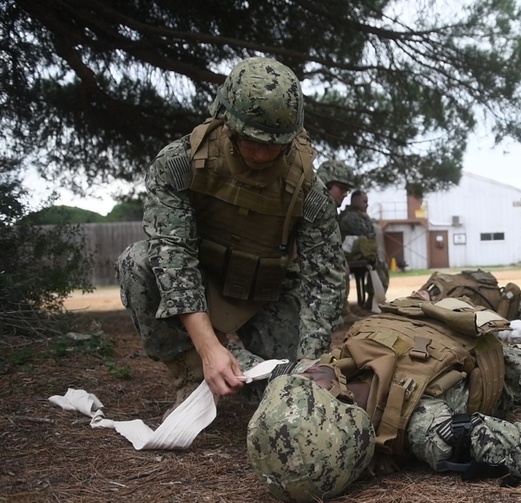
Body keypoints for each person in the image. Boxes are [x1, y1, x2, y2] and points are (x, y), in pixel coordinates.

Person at [246, 298, 521, 503]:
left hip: (437, 320)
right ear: (341, 410)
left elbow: (270, 372)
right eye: (309, 384)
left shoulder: (312, 384)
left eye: (300, 381)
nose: (305, 373)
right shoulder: (427, 426)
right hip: (505, 367)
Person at [115, 57, 346, 414]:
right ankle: (192, 374)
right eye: (252, 141)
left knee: (286, 386)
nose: (262, 154)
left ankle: (253, 370)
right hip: (203, 284)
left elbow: (324, 281)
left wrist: (310, 359)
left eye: (274, 145)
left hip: (268, 294)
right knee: (137, 263)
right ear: (227, 121)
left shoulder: (308, 191)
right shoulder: (180, 164)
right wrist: (208, 348)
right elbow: (173, 257)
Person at [317, 159, 363, 326]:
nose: (345, 194)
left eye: (347, 190)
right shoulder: (312, 208)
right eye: (342, 188)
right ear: (326, 184)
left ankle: (340, 313)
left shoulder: (329, 211)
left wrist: (341, 259)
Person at [339, 190, 390, 291]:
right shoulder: (350, 217)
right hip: (350, 254)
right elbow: (367, 233)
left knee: (379, 263)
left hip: (356, 252)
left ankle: (373, 294)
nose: (367, 205)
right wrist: (367, 219)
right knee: (377, 264)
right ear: (356, 201)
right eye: (364, 201)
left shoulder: (358, 215)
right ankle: (373, 295)